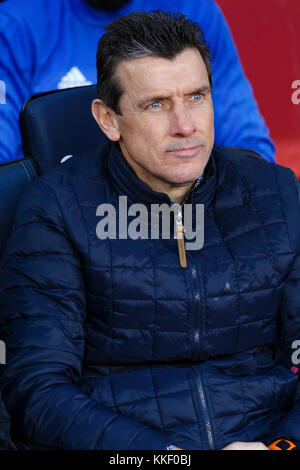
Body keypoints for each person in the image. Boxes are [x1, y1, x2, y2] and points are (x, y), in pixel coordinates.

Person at [0, 10, 299, 451]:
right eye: (156, 104)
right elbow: (38, 392)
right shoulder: (57, 210)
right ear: (108, 120)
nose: (185, 126)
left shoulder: (276, 192)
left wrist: (284, 446)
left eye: (197, 97)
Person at [0, 0, 275, 164]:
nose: (182, 124)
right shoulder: (14, 25)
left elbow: (249, 148)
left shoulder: (194, 11)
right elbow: (5, 167)